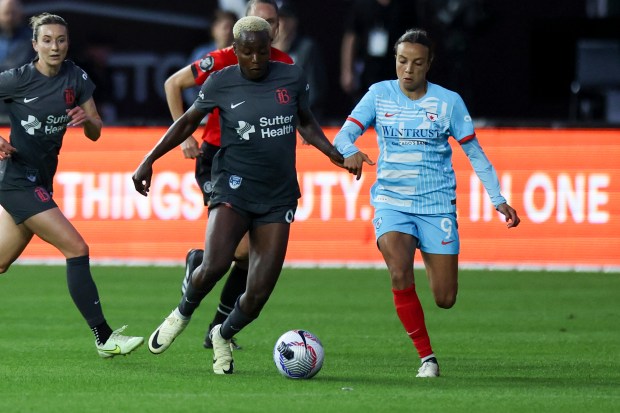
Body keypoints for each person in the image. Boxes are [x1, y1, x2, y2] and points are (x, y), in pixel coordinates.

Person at [132, 15, 348, 375]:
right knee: (215, 264)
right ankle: (181, 313)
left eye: (261, 52)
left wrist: (334, 154)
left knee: (258, 293)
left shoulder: (292, 76)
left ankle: (222, 333)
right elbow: (187, 121)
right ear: (236, 50)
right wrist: (148, 159)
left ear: (270, 48)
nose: (255, 59)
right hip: (232, 187)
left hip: (278, 197)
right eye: (247, 52)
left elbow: (306, 120)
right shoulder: (220, 81)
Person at [333, 28, 520, 378]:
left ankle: (432, 303)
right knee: (399, 270)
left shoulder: (449, 102)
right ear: (395, 60)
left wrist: (499, 199)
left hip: (436, 206)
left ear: (429, 64)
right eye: (402, 61)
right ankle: (427, 358)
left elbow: (474, 152)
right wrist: (349, 150)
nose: (408, 69)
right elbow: (344, 134)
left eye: (417, 63)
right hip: (392, 202)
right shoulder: (378, 94)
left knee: (444, 298)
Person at [0, 13, 143, 358]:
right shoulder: (18, 79)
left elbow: (95, 131)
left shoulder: (76, 77)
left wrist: (87, 120)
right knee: (76, 248)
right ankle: (104, 337)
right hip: (16, 179)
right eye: (46, 40)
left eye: (61, 40)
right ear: (34, 45)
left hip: (41, 181)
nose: (55, 46)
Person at [164, 0, 293, 350]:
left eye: (272, 21)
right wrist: (187, 136)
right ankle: (205, 276)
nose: (266, 26)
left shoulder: (285, 66)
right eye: (259, 20)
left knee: (246, 255)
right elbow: (173, 84)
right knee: (242, 252)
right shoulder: (221, 60)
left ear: (278, 28)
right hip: (218, 161)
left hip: (259, 170)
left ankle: (216, 323)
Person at [340, 0, 412, 104]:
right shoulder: (363, 5)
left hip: (395, 67)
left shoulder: (404, 6)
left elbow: (413, 37)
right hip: (367, 69)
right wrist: (347, 71)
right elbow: (351, 37)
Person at [272, 2, 328, 121]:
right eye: (278, 19)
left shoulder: (306, 48)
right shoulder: (264, 50)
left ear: (294, 21)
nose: (282, 24)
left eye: (286, 19)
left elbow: (314, 89)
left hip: (300, 116)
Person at [183, 9, 237, 106]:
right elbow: (187, 87)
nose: (228, 31)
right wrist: (199, 110)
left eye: (231, 27)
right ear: (214, 29)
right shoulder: (201, 54)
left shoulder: (242, 55)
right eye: (225, 27)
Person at [0, 0, 34, 120]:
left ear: (21, 13)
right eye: (6, 13)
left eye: (13, 13)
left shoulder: (33, 40)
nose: (10, 17)